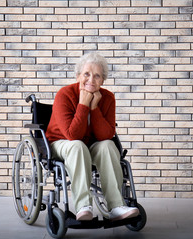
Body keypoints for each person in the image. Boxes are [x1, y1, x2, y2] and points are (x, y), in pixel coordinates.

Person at [46, 52, 139, 221]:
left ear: (103, 80)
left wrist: (94, 107)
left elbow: (106, 135)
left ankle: (116, 206)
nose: (91, 80)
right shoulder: (64, 94)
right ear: (78, 76)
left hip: (90, 144)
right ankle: (83, 207)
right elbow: (72, 135)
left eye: (97, 76)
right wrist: (83, 104)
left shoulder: (108, 97)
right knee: (77, 146)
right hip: (62, 143)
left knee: (108, 146)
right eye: (86, 74)